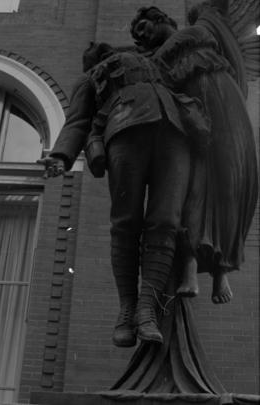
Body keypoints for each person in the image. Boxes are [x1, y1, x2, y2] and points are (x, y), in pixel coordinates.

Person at [38, 42, 211, 346]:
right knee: (126, 222)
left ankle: (147, 309)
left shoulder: (153, 62)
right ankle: (127, 309)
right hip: (124, 129)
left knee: (167, 220)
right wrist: (61, 156)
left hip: (174, 132)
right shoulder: (90, 78)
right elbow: (77, 120)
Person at [130, 2, 258, 304]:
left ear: (160, 19)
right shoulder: (170, 51)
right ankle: (192, 262)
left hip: (223, 107)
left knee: (227, 183)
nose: (141, 34)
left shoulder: (199, 27)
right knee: (196, 187)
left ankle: (221, 268)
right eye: (137, 33)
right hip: (198, 120)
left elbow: (179, 44)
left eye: (143, 26)